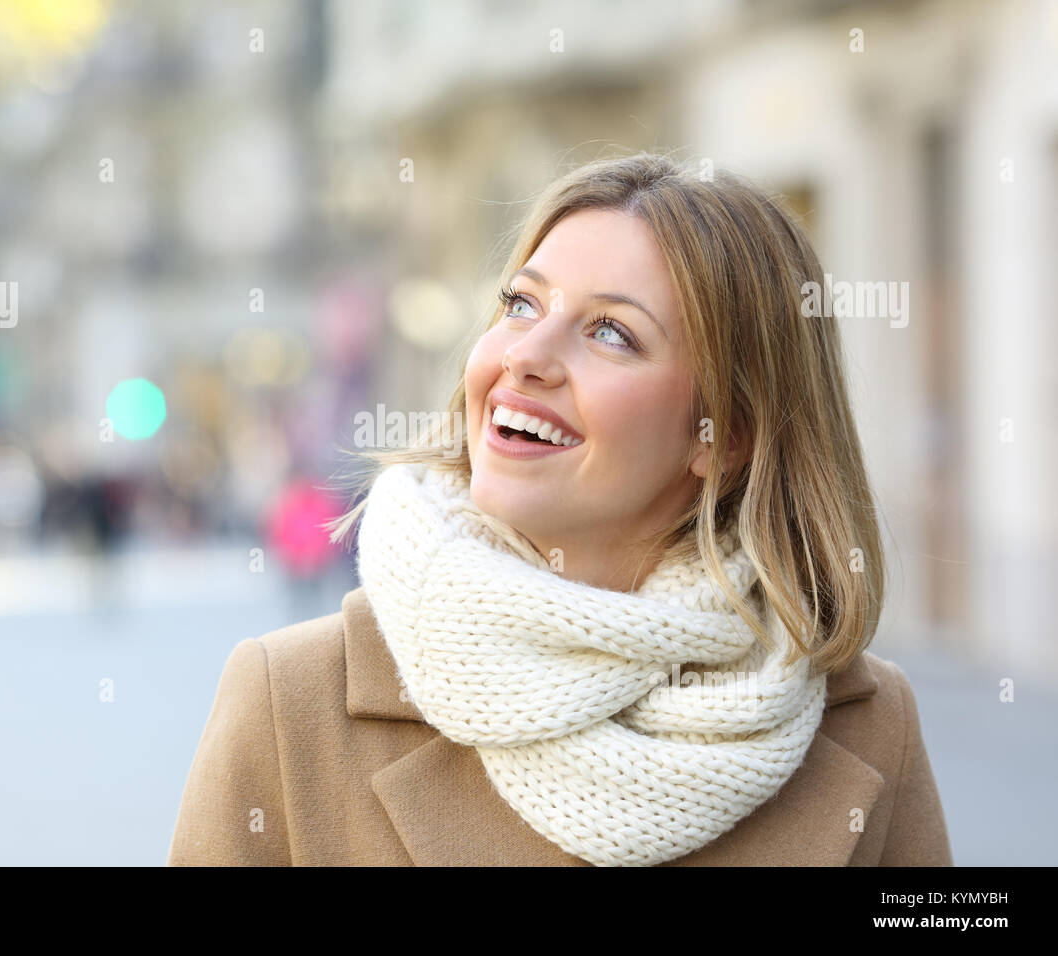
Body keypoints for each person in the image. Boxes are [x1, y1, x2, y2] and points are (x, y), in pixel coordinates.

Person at [166, 152, 953, 866]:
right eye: (520, 304)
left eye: (611, 332)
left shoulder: (869, 726)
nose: (525, 357)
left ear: (727, 433)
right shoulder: (291, 700)